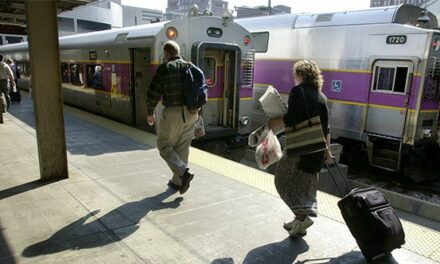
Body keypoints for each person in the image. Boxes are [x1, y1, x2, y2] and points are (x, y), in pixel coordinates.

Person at [268, 60, 333, 237]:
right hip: (317, 149)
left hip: (300, 146)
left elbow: (292, 118)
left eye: (295, 74)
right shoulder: (322, 96)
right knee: (305, 186)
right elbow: (326, 127)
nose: (294, 78)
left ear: (301, 75)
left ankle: (302, 217)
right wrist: (327, 151)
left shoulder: (298, 91)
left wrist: (274, 122)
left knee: (282, 180)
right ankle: (299, 222)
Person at [146, 40, 199, 195]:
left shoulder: (165, 69)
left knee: (163, 145)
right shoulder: (191, 67)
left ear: (167, 54)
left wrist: (150, 111)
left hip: (173, 112)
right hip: (192, 113)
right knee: (182, 147)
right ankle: (177, 182)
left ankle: (183, 172)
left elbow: (153, 92)